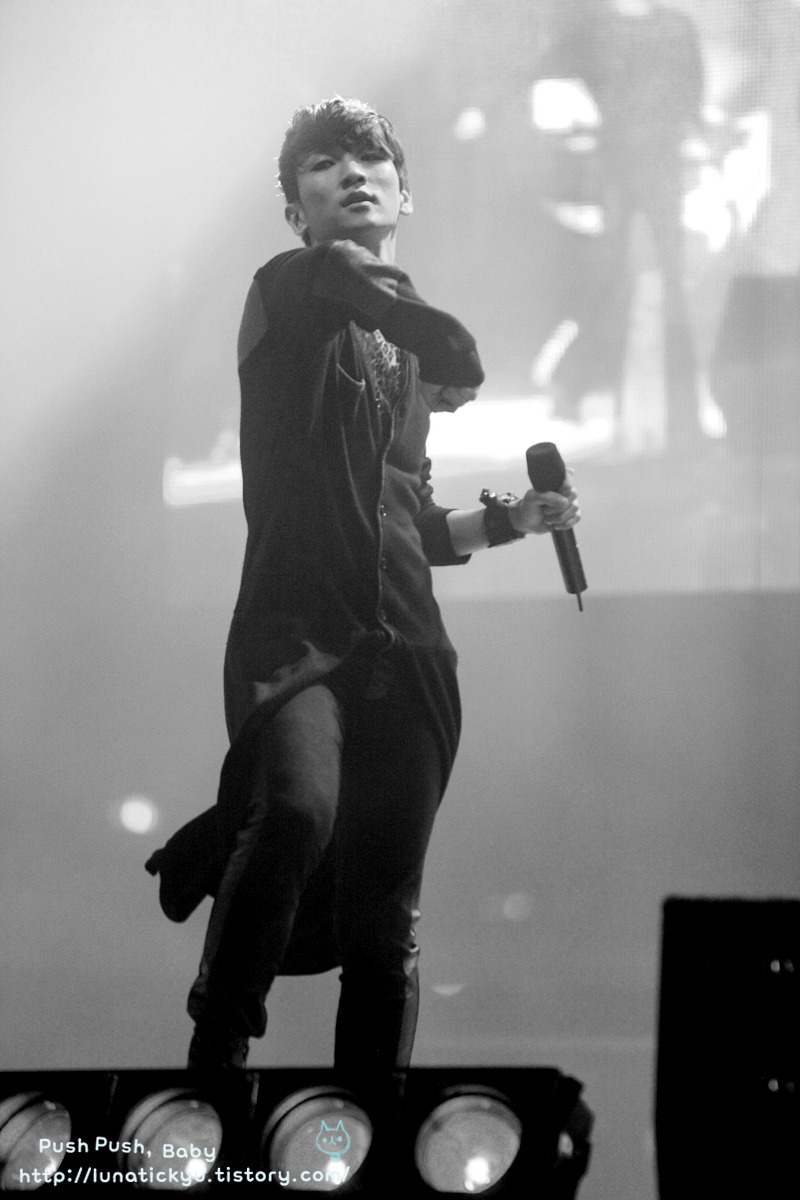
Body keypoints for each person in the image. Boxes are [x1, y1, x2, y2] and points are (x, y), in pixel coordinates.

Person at [147, 97, 580, 1084]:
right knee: (297, 814)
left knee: (383, 922)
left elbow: (410, 520)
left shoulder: (402, 359)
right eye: (322, 163)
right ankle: (215, 1059)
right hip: (297, 638)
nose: (351, 171)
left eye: (371, 158)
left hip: (410, 657)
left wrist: (513, 520)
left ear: (404, 192)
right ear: (294, 210)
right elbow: (362, 286)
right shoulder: (291, 288)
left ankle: (369, 1118)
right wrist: (444, 340)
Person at [533, 0, 706, 445]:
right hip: (618, 166)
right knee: (612, 279)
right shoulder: (595, 29)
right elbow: (549, 73)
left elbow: (691, 94)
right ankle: (573, 386)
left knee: (669, 284)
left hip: (660, 164)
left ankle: (680, 412)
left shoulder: (674, 27)